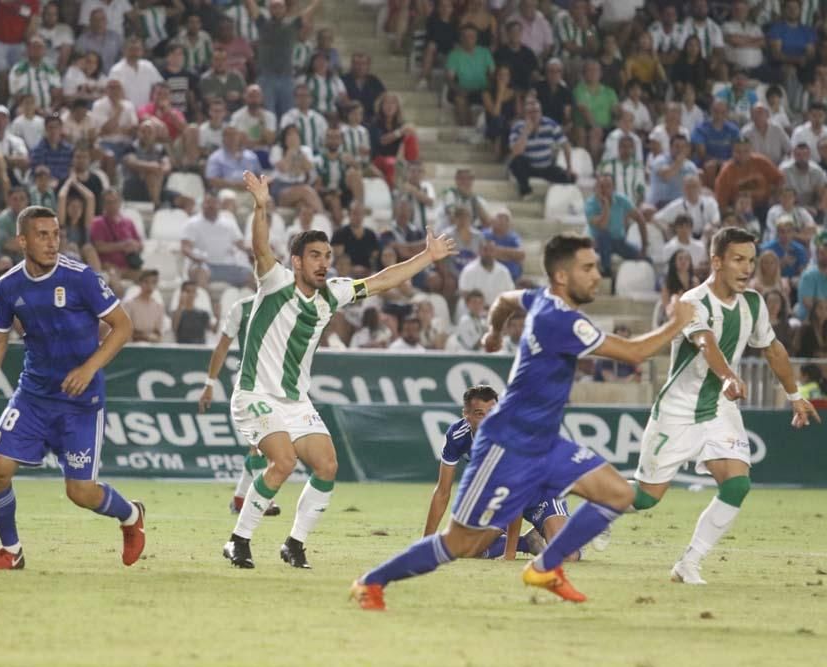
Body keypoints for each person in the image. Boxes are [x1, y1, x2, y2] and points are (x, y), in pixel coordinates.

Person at [351, 234, 698, 610]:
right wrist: (676, 322)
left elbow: (504, 301)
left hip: (545, 443)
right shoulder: (562, 321)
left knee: (618, 494)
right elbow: (634, 353)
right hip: (508, 443)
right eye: (587, 268)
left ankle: (545, 567)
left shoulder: (539, 299)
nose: (597, 275)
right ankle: (371, 582)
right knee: (461, 543)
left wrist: (494, 332)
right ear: (562, 276)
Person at [222, 171, 456, 570]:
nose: (323, 263)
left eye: (327, 256)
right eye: (315, 255)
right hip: (255, 394)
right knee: (283, 462)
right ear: (296, 261)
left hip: (295, 401)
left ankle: (294, 544)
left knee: (327, 465)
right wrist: (261, 207)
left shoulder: (334, 293)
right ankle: (238, 541)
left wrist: (427, 257)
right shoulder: (275, 282)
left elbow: (381, 281)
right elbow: (261, 248)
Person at [0, 204, 144, 571]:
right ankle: (11, 551)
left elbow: (123, 326)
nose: (51, 242)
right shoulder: (8, 286)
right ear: (22, 241)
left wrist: (89, 369)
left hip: (81, 401)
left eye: (56, 234)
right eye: (42, 235)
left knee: (80, 492)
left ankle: (130, 515)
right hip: (33, 396)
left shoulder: (81, 277)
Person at [632, 227, 820, 584]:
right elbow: (706, 343)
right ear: (716, 262)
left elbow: (773, 349)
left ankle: (689, 563)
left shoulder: (753, 303)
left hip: (720, 407)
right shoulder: (692, 301)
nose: (747, 268)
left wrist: (795, 396)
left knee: (737, 485)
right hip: (680, 408)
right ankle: (596, 501)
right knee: (644, 498)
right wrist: (728, 377)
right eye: (738, 259)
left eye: (751, 260)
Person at [424, 384, 577, 561]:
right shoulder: (457, 436)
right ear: (466, 415)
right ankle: (527, 542)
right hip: (501, 497)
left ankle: (576, 530)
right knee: (466, 550)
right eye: (480, 414)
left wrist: (509, 555)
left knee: (568, 556)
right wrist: (425, 545)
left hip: (541, 491)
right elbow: (442, 492)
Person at [198, 293, 283, 516]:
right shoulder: (242, 308)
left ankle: (239, 500)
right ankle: (264, 500)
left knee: (264, 446)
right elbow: (222, 346)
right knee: (258, 443)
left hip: (278, 383)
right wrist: (209, 384)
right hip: (249, 383)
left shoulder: (289, 305)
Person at [508, 98, 574, 199]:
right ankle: (526, 191)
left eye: (536, 111)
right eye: (530, 112)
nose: (534, 115)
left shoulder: (550, 124)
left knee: (571, 178)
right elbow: (515, 153)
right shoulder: (518, 127)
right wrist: (525, 132)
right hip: (528, 167)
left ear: (541, 112)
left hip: (546, 166)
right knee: (517, 162)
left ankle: (557, 199)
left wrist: (569, 167)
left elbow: (565, 145)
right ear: (525, 114)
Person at [585, 174, 648, 279]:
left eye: (608, 186)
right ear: (596, 188)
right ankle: (606, 271)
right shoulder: (590, 204)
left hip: (619, 241)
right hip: (598, 244)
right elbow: (603, 226)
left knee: (645, 259)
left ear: (613, 188)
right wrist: (606, 206)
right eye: (601, 186)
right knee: (604, 236)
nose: (604, 190)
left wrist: (644, 246)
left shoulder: (621, 199)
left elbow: (640, 219)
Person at [90, 189, 144, 276]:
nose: (112, 205)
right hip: (109, 268)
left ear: (120, 202)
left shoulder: (128, 222)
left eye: (115, 201)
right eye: (109, 202)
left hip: (130, 266)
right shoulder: (98, 222)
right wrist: (123, 245)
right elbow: (99, 247)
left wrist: (134, 246)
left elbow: (140, 245)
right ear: (103, 204)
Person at [8, 36, 62, 111]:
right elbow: (17, 96)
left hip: (48, 110)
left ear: (45, 51)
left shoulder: (51, 70)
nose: (36, 50)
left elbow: (58, 94)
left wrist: (51, 109)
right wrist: (38, 111)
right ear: (27, 50)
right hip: (25, 109)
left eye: (39, 47)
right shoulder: (18, 69)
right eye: (33, 47)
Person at [124, 269, 166, 343]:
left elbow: (159, 332)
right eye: (146, 282)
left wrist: (152, 337)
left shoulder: (159, 306)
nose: (150, 286)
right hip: (133, 345)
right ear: (140, 283)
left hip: (152, 346)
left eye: (153, 282)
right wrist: (145, 336)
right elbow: (126, 331)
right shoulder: (129, 305)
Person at [795, 235, 827, 320]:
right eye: (823, 253)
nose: (826, 256)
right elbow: (808, 303)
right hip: (810, 319)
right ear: (817, 254)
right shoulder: (808, 275)